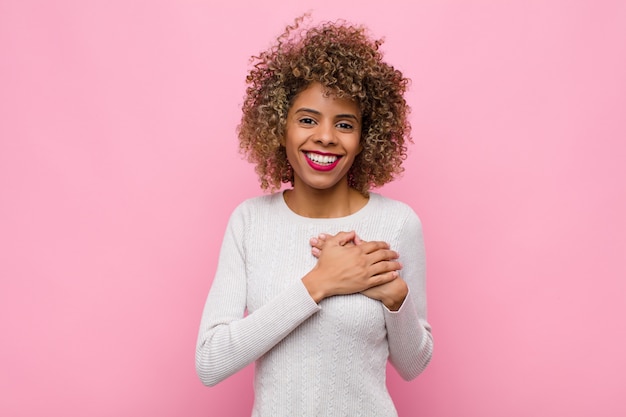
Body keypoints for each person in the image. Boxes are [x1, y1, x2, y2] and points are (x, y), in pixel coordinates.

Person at [196, 16, 433, 416]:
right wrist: (320, 283)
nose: (325, 136)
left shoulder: (397, 223)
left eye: (345, 124)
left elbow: (413, 365)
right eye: (307, 119)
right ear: (279, 126)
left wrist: (394, 296)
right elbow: (210, 361)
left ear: (364, 138)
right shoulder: (250, 222)